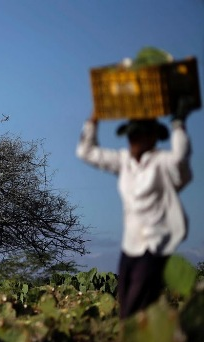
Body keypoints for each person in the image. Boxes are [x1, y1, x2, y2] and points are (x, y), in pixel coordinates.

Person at [76, 103, 193, 319]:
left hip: (155, 245)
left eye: (137, 136)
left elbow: (180, 161)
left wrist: (178, 126)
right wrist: (93, 119)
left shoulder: (162, 163)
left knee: (138, 305)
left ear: (151, 138)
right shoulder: (124, 161)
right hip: (130, 244)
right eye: (131, 137)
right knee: (125, 300)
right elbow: (86, 152)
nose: (133, 142)